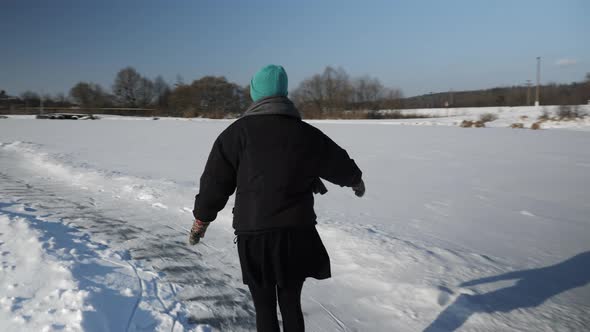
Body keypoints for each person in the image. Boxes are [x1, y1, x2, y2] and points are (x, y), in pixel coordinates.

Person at [189, 64, 365, 332]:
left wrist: (201, 220)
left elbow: (215, 182)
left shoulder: (236, 134)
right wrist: (355, 180)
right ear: (284, 94)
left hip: (255, 235)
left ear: (255, 93)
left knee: (264, 307)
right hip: (296, 233)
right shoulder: (304, 133)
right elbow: (335, 160)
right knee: (290, 303)